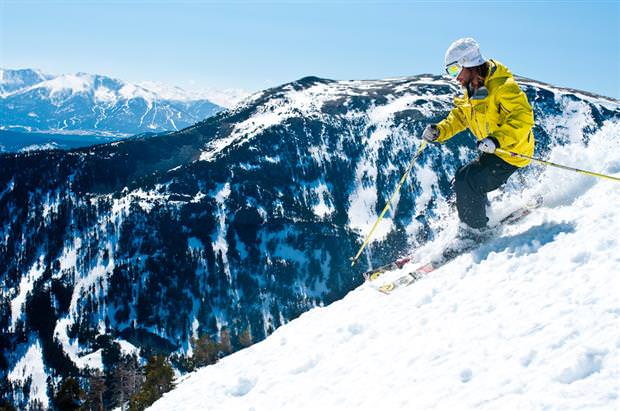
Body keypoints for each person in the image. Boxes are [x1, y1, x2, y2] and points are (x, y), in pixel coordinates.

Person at [422, 37, 535, 242]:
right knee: (462, 177)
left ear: (469, 64)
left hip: (511, 151)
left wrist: (497, 140)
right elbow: (461, 116)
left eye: (455, 70)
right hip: (493, 149)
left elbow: (523, 118)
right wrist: (440, 131)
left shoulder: (502, 86)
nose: (455, 78)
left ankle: (474, 232)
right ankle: (481, 217)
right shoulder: (473, 88)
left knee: (469, 181)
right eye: (450, 72)